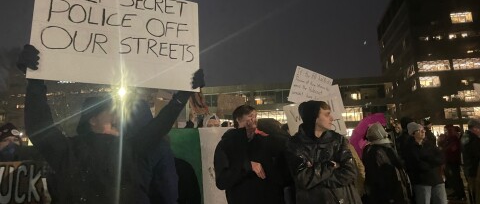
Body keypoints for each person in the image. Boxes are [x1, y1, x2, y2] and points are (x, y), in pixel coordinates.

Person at [18, 44, 205, 204]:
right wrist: (34, 83)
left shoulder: (131, 148)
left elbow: (158, 127)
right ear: (92, 119)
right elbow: (40, 128)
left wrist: (181, 96)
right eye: (111, 111)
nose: (118, 117)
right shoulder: (69, 151)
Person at [286, 100, 361, 204]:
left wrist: (316, 178)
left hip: (341, 199)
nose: (332, 118)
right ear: (314, 117)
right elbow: (303, 179)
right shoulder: (295, 143)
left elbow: (350, 173)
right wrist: (330, 165)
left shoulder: (338, 140)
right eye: (327, 114)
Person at [214, 105, 286, 204]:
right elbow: (222, 181)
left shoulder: (264, 140)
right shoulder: (226, 145)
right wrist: (248, 166)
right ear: (238, 120)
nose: (254, 120)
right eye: (250, 116)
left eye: (255, 116)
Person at [362, 122, 412, 204]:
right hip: (390, 189)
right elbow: (393, 167)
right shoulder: (382, 149)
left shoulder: (370, 149)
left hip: (383, 190)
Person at [404, 122, 447, 204]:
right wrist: (433, 162)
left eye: (423, 130)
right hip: (422, 182)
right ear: (413, 133)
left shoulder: (429, 144)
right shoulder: (409, 148)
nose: (423, 132)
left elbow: (441, 157)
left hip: (437, 179)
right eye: (419, 130)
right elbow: (418, 165)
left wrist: (428, 159)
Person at [438, 125, 465, 201]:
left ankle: (460, 194)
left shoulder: (453, 139)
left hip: (453, 161)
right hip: (450, 161)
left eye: (446, 131)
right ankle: (457, 192)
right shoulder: (449, 139)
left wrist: (443, 148)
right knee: (452, 178)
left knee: (455, 178)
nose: (445, 132)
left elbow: (452, 149)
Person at [461, 118, 480, 204]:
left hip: (470, 169)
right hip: (474, 170)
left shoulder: (466, 137)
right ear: (475, 128)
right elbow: (476, 154)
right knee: (476, 192)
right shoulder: (473, 139)